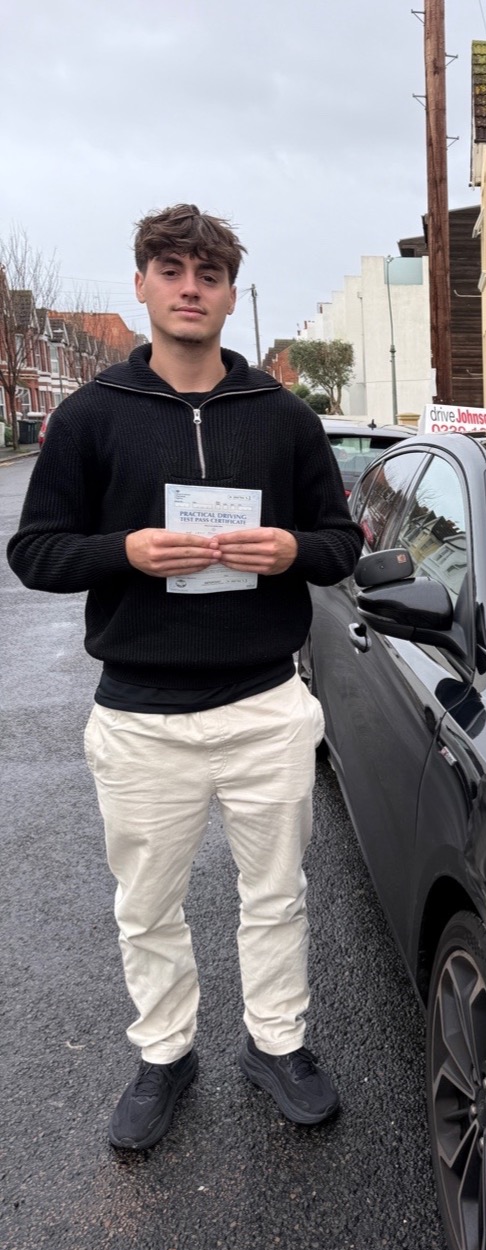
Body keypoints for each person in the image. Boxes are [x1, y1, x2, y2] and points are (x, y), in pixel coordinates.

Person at [7, 204, 364, 1150]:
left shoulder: (284, 417)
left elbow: (340, 542)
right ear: (142, 286)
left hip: (264, 705)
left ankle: (277, 1044)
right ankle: (165, 1054)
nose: (190, 289)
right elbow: (34, 553)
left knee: (277, 895)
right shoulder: (91, 416)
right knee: (147, 906)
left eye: (209, 274)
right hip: (141, 717)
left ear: (231, 295)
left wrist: (292, 549)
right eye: (171, 271)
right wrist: (123, 550)